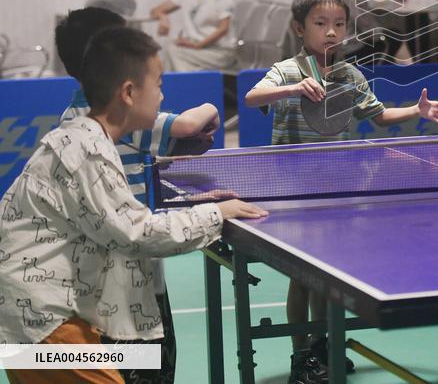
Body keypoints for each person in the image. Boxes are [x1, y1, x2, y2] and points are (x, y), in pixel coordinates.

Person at [0, 26, 266, 384]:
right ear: (128, 92)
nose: (162, 96)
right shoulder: (89, 151)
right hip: (44, 322)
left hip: (31, 314)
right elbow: (137, 234)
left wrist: (189, 205)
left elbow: (117, 215)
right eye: (158, 84)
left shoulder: (88, 137)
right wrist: (216, 214)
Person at [244, 0, 438, 384]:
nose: (331, 31)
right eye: (321, 23)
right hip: (294, 191)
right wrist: (293, 88)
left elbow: (378, 116)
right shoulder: (286, 70)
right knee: (301, 279)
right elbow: (253, 96)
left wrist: (417, 110)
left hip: (334, 189)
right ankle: (301, 356)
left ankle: (321, 346)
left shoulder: (349, 75)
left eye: (339, 23)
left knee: (324, 276)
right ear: (300, 28)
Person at [54, 7, 233, 384]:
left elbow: (131, 170)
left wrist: (188, 197)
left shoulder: (72, 116)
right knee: (151, 370)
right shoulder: (121, 113)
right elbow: (189, 123)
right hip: (132, 282)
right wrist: (212, 107)